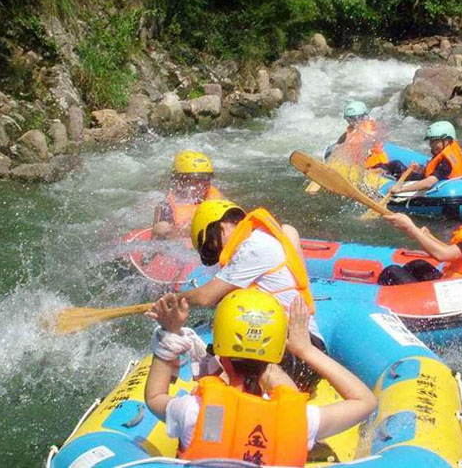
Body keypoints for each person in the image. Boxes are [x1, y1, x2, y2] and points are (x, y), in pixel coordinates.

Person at [144, 289, 377, 466]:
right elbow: (365, 402)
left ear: (221, 355)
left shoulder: (193, 411)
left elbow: (155, 396)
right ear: (275, 357)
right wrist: (306, 350)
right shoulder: (301, 420)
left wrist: (170, 333)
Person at [181, 199, 323, 391]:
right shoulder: (265, 237)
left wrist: (174, 300)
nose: (219, 253)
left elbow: (206, 297)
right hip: (305, 352)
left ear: (221, 227)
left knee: (221, 362)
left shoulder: (253, 247)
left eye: (213, 246)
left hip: (296, 354)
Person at [381, 121, 462, 194]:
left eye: (435, 142)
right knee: (396, 164)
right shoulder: (450, 150)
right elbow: (436, 172)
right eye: (431, 142)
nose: (431, 145)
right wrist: (421, 169)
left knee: (396, 166)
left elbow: (428, 183)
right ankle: (374, 171)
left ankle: (374, 175)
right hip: (432, 178)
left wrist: (400, 189)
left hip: (433, 185)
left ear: (446, 141)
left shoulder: (445, 163)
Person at [152, 151, 222, 239]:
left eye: (206, 178)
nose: (202, 183)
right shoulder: (166, 205)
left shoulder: (215, 197)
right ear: (180, 181)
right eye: (195, 178)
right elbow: (159, 231)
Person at [328, 101, 388, 169]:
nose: (352, 122)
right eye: (349, 119)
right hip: (364, 167)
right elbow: (336, 146)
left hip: (377, 163)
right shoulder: (347, 134)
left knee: (397, 165)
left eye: (355, 119)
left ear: (364, 117)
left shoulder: (372, 128)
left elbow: (381, 134)